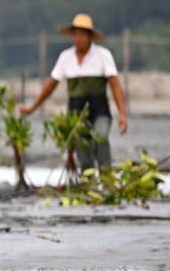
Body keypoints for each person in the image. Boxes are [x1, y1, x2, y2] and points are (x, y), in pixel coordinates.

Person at [20, 13, 128, 170]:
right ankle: (88, 187)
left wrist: (122, 114)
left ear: (90, 36)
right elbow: (50, 85)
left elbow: (115, 85)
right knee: (83, 152)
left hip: (100, 111)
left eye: (81, 34)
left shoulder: (103, 55)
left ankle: (107, 181)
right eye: (74, 34)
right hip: (76, 116)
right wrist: (32, 108)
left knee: (101, 138)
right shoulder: (66, 57)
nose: (77, 38)